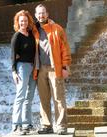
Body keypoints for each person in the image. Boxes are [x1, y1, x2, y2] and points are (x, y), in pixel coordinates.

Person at [34, 4, 72, 135]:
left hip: (54, 68)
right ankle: (46, 125)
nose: (41, 15)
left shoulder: (57, 29)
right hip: (40, 70)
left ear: (47, 13)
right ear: (35, 15)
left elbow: (65, 49)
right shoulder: (33, 30)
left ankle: (61, 126)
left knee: (59, 98)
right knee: (44, 99)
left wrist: (65, 67)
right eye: (39, 13)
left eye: (43, 13)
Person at [11, 10, 39, 135]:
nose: (23, 22)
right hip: (22, 67)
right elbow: (12, 55)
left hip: (33, 67)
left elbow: (40, 24)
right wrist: (14, 72)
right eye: (21, 21)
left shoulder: (31, 34)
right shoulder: (17, 36)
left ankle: (27, 125)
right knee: (20, 97)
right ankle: (16, 126)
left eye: (25, 20)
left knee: (29, 97)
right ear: (18, 22)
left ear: (28, 22)